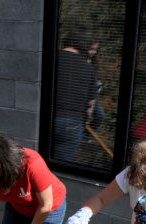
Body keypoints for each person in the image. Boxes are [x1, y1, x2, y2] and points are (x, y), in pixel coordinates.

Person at [52, 27, 98, 162]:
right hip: (72, 121)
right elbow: (90, 106)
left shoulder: (51, 58)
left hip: (47, 118)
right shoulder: (88, 68)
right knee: (62, 167)